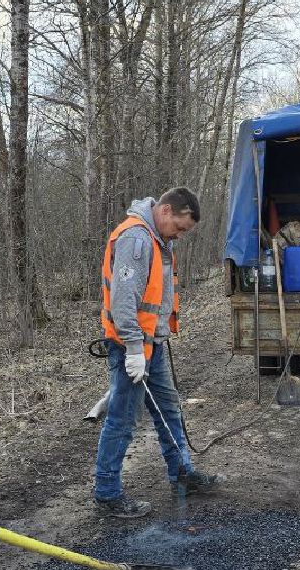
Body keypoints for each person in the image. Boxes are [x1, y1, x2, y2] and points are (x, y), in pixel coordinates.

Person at [93, 187, 220, 517]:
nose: (179, 235)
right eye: (179, 227)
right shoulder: (136, 239)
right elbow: (123, 301)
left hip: (153, 346)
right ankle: (107, 493)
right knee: (122, 420)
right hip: (131, 349)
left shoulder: (158, 239)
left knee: (169, 410)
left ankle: (182, 473)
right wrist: (135, 349)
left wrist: (154, 339)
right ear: (165, 211)